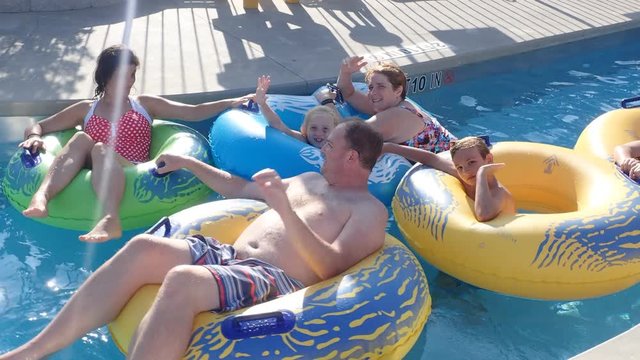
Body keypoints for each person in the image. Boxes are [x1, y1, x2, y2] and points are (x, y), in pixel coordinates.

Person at [0, 120, 388, 360]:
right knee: (141, 249)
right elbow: (241, 187)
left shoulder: (370, 212)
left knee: (184, 281)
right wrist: (189, 163)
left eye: (329, 145)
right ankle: (34, 351)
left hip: (274, 278)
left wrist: (284, 209)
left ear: (352, 158)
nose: (321, 149)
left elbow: (331, 265)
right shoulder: (311, 180)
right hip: (227, 255)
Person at [19, 44, 252, 243]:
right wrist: (33, 137)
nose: (129, 82)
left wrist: (230, 102)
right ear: (105, 77)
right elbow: (39, 126)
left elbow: (193, 112)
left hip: (135, 171)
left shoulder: (143, 105)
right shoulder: (86, 109)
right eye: (123, 75)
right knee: (82, 139)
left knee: (100, 148)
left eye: (132, 75)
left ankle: (110, 219)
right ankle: (42, 197)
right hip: (97, 170)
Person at [318, 55, 456, 153]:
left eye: (381, 86)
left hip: (455, 164)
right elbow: (349, 94)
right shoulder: (397, 104)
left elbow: (345, 136)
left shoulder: (396, 116)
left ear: (398, 90)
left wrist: (326, 101)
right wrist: (345, 72)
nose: (373, 92)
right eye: (371, 87)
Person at [383, 136, 515, 221]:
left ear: (489, 159)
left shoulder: (499, 193)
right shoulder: (465, 175)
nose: (466, 170)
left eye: (472, 162)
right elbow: (430, 158)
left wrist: (481, 174)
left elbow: (483, 214)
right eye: (459, 167)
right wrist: (389, 147)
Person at [254, 75, 340, 148]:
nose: (318, 133)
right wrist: (263, 104)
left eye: (325, 129)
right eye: (313, 128)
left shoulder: (339, 147)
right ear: (305, 129)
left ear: (334, 131)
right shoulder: (303, 140)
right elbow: (278, 125)